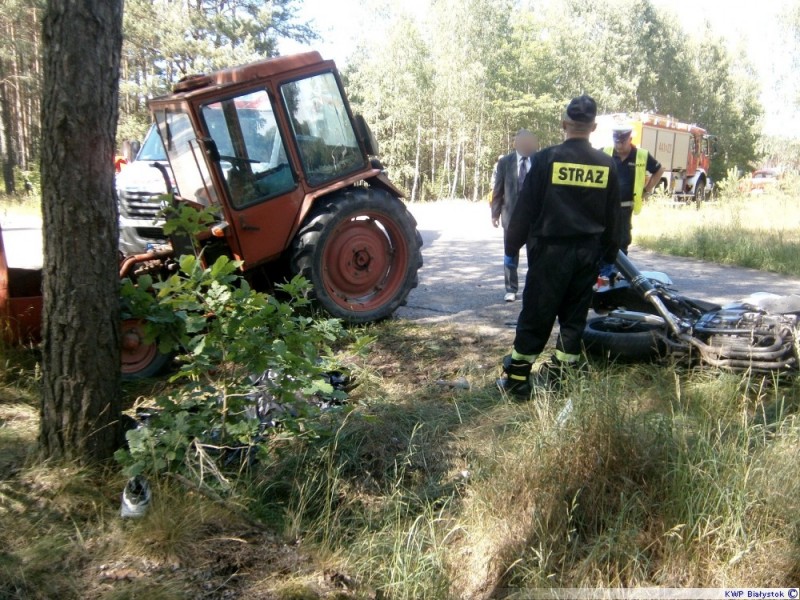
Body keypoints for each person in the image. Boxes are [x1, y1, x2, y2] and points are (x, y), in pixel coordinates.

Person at [497, 95, 621, 396]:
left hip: (549, 253)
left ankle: (517, 382)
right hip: (586, 255)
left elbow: (525, 210)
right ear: (593, 127)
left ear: (564, 124)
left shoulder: (546, 159)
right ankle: (560, 379)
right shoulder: (607, 165)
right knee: (573, 318)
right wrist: (609, 257)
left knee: (537, 315)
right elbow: (614, 219)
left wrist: (511, 249)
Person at [600, 122, 664, 273]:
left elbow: (659, 169)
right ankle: (601, 273)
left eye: (622, 142)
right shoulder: (605, 152)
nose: (619, 145)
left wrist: (647, 190)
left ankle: (618, 274)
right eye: (616, 141)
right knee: (601, 240)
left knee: (621, 242)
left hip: (624, 207)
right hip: (603, 207)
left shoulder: (641, 155)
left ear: (630, 139)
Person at [491, 129, 539, 302]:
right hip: (511, 217)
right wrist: (495, 213)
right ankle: (511, 289)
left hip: (535, 218)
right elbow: (498, 188)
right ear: (515, 144)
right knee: (510, 254)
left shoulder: (540, 160)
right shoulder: (505, 162)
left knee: (536, 255)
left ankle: (534, 289)